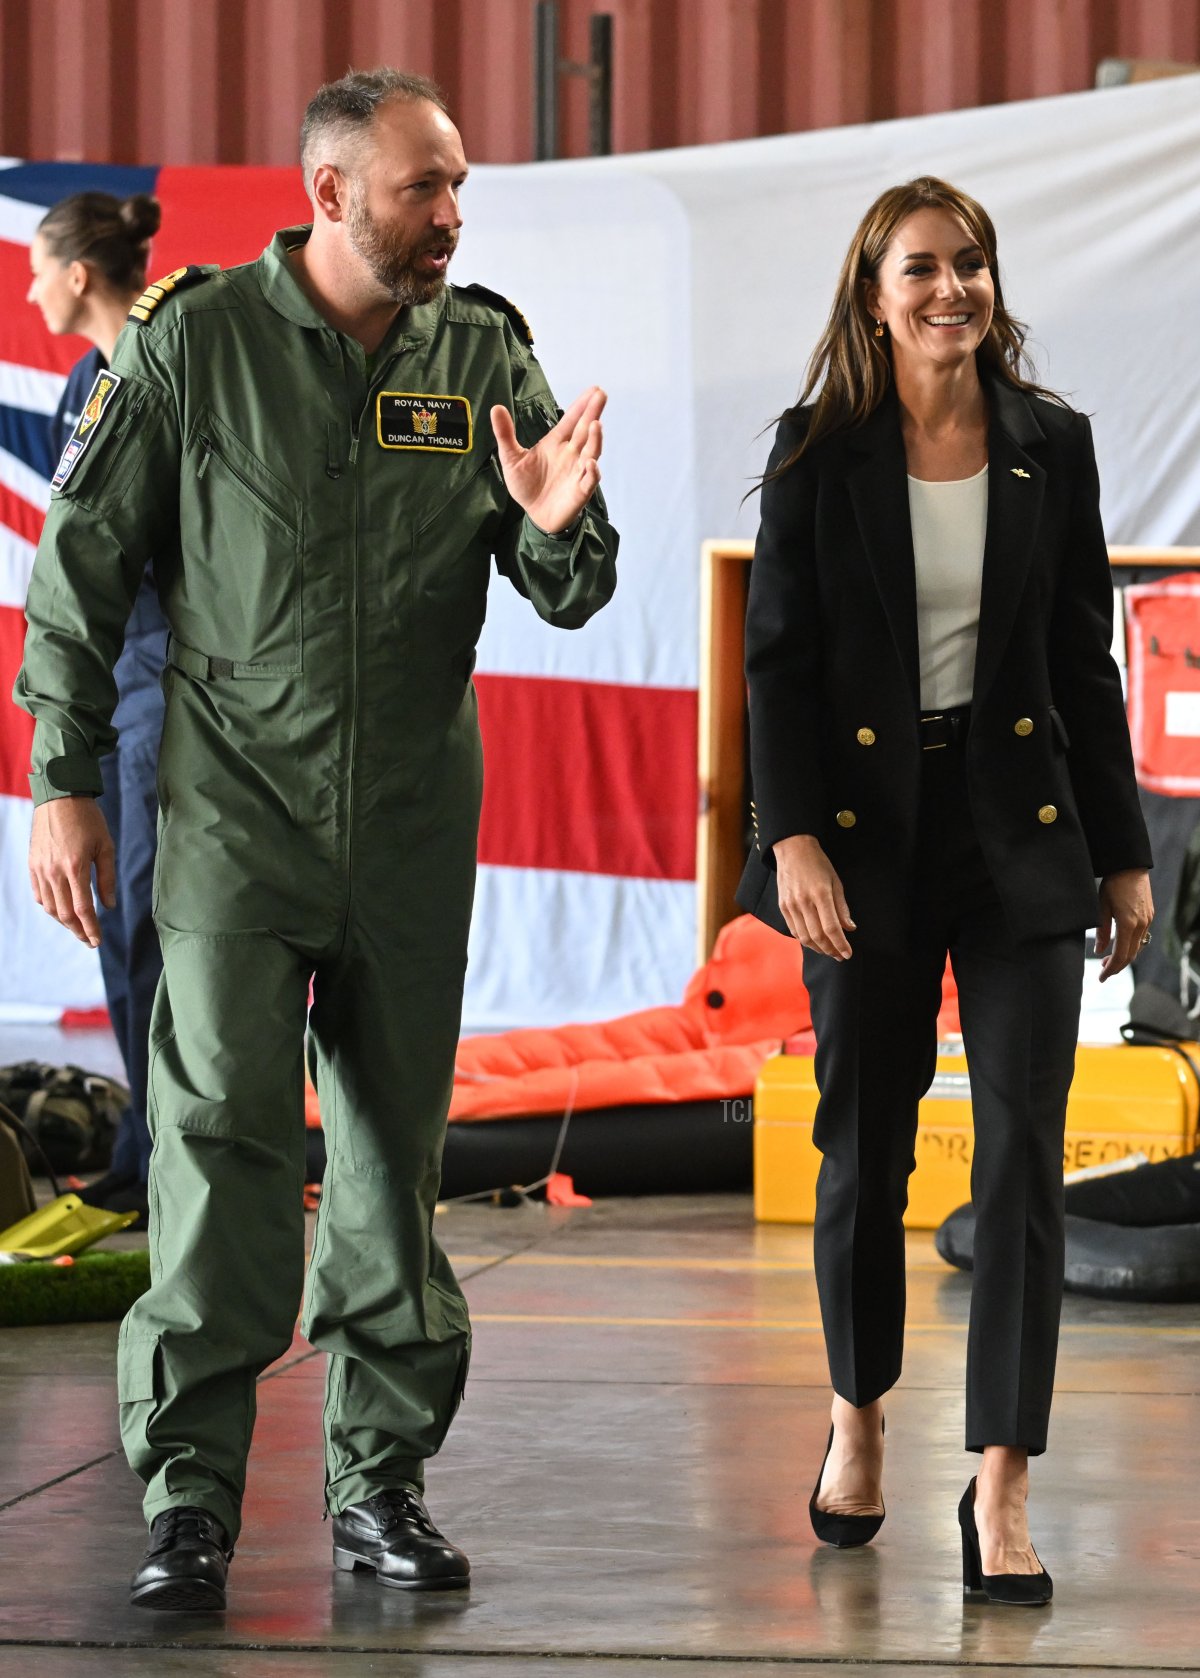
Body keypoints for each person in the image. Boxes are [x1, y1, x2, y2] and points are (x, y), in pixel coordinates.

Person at [15, 67, 617, 1611]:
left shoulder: (484, 352)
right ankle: (194, 1498)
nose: (453, 214)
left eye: (459, 186)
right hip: (231, 822)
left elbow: (571, 581)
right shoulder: (194, 348)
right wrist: (62, 779)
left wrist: (557, 529)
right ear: (334, 193)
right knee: (219, 1146)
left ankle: (379, 1483)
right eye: (427, 188)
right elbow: (82, 573)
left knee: (389, 1159)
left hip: (413, 819)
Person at [736, 177, 1152, 1606]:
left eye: (969, 264)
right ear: (873, 295)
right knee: (865, 1142)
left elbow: (1084, 659)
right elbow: (775, 665)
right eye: (920, 269)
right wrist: (791, 841)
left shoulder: (1054, 445)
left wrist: (1125, 848)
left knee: (1024, 1159)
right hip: (861, 840)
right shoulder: (818, 453)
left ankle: (1001, 1482)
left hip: (1018, 828)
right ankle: (857, 1421)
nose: (951, 290)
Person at [26, 191, 169, 1230]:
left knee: (160, 930)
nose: (28, 287)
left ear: (81, 274)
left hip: (165, 685)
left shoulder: (164, 366)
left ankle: (178, 1157)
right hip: (111, 692)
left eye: (38, 267)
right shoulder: (84, 378)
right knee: (123, 931)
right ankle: (140, 1150)